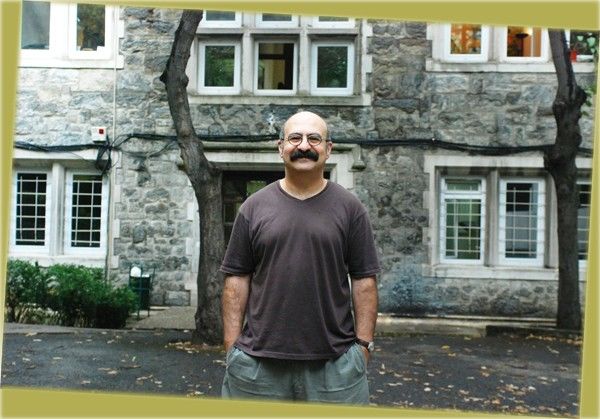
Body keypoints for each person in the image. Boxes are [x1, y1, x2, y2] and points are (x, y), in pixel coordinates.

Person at [220, 111, 380, 404]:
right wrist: (232, 349)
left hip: (335, 366)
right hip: (257, 367)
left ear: (328, 149)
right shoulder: (253, 208)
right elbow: (236, 281)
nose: (304, 146)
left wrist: (363, 347)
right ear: (280, 147)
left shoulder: (350, 208)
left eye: (314, 139)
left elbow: (364, 282)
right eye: (295, 138)